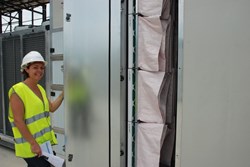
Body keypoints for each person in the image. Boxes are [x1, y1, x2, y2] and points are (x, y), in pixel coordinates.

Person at [8, 51, 64, 167]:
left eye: (42, 68)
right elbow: (18, 121)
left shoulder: (40, 88)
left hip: (43, 144)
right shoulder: (17, 91)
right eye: (35, 67)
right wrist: (33, 144)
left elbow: (51, 108)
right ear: (26, 69)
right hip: (30, 146)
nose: (40, 71)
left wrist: (63, 94)